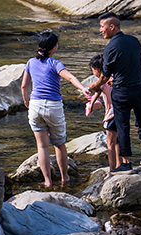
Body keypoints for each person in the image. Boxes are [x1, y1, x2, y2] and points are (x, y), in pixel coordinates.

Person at [21, 31, 91, 187]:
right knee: (59, 144)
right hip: (53, 106)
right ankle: (65, 178)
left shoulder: (31, 62)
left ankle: (47, 181)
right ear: (53, 48)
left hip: (35, 106)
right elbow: (70, 77)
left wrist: (27, 100)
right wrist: (82, 88)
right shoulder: (55, 63)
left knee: (42, 146)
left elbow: (24, 86)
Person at [89, 13, 141, 173]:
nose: (100, 30)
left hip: (122, 92)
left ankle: (126, 163)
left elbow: (105, 75)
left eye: (102, 26)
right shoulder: (134, 41)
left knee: (123, 127)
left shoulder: (110, 48)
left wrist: (96, 85)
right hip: (140, 87)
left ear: (112, 27)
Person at [85, 54, 120, 174]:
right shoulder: (115, 78)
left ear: (97, 69)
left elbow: (97, 91)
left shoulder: (103, 82)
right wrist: (92, 103)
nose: (93, 72)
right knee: (118, 142)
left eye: (93, 70)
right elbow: (98, 94)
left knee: (110, 144)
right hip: (121, 114)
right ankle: (120, 165)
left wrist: (91, 105)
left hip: (111, 115)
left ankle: (112, 170)